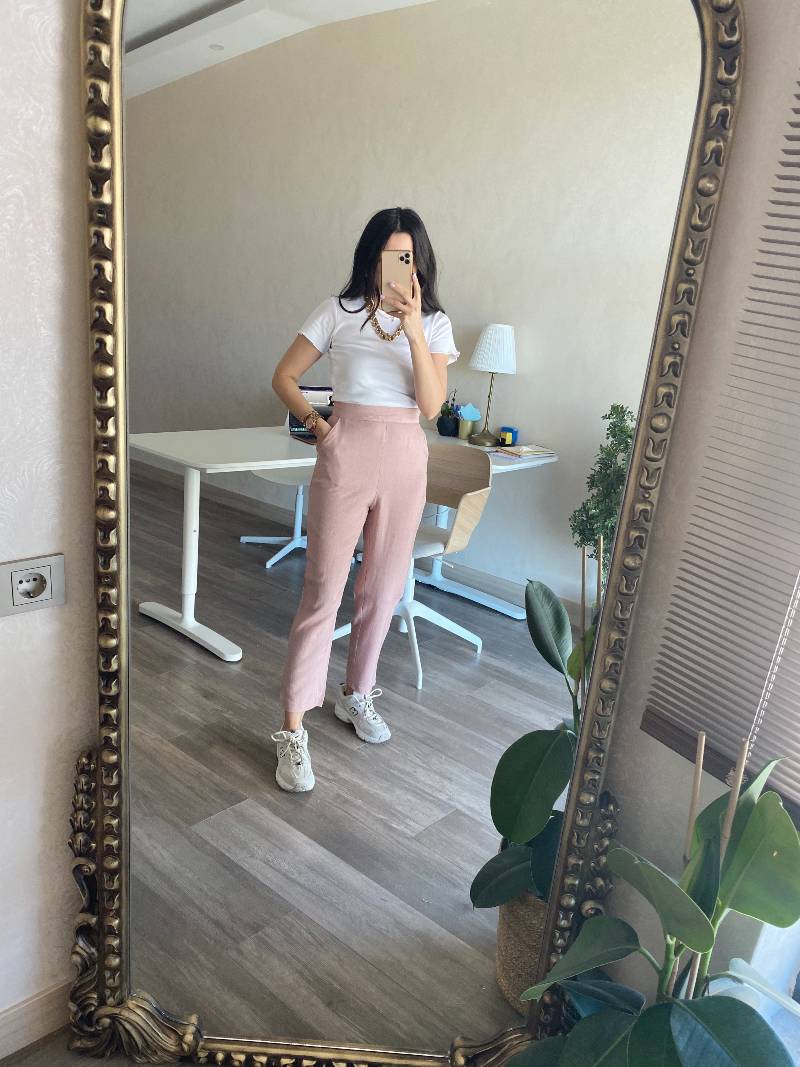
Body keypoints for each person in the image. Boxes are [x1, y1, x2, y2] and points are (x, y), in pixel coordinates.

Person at [270, 207, 460, 792]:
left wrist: (412, 329)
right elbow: (284, 376)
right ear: (370, 256)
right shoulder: (338, 310)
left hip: (405, 454)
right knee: (323, 588)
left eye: (408, 257)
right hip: (346, 448)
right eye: (388, 255)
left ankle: (357, 693)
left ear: (420, 263)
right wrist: (321, 429)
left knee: (383, 588)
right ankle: (293, 729)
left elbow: (431, 406)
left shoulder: (435, 324)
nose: (398, 266)